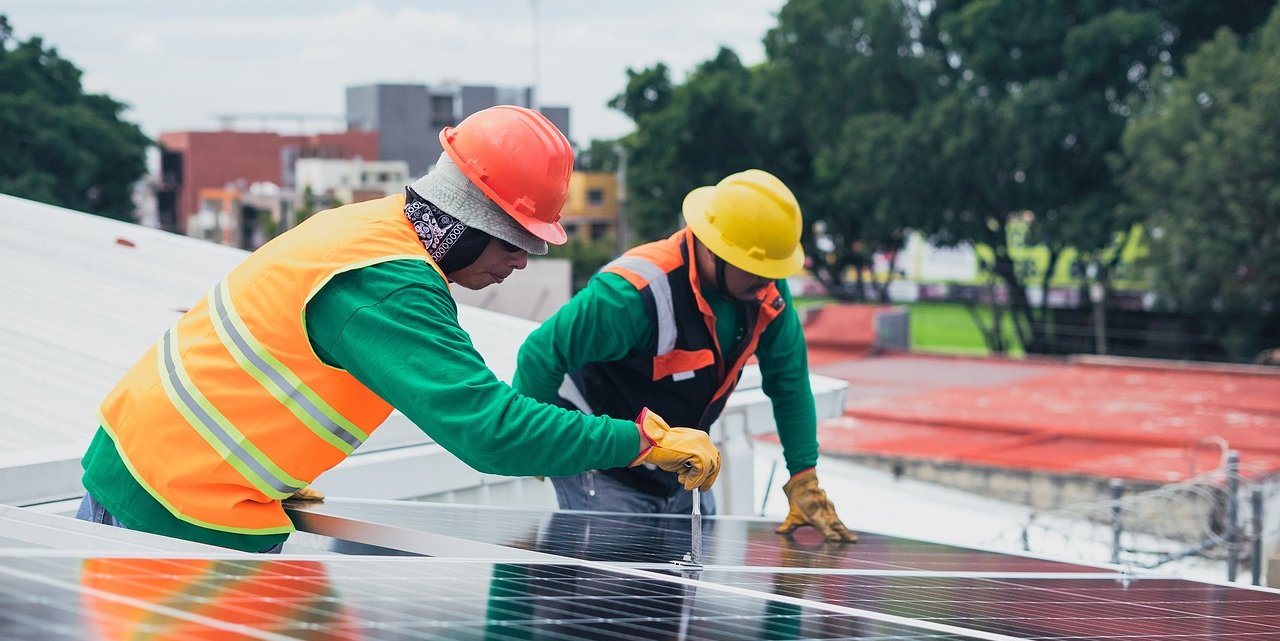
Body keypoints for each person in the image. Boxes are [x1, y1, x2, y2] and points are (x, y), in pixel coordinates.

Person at [75, 105, 720, 553]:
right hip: (171, 506)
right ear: (472, 218)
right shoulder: (390, 285)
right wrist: (640, 441)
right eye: (518, 241)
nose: (523, 261)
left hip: (161, 473)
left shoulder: (372, 228)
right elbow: (489, 433)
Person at [513, 168, 856, 542]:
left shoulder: (765, 297)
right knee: (615, 586)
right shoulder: (632, 293)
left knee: (682, 588)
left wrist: (803, 476)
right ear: (713, 249)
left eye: (773, 272)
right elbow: (541, 353)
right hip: (604, 467)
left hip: (682, 468)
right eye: (757, 270)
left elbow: (789, 383)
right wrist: (537, 444)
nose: (768, 282)